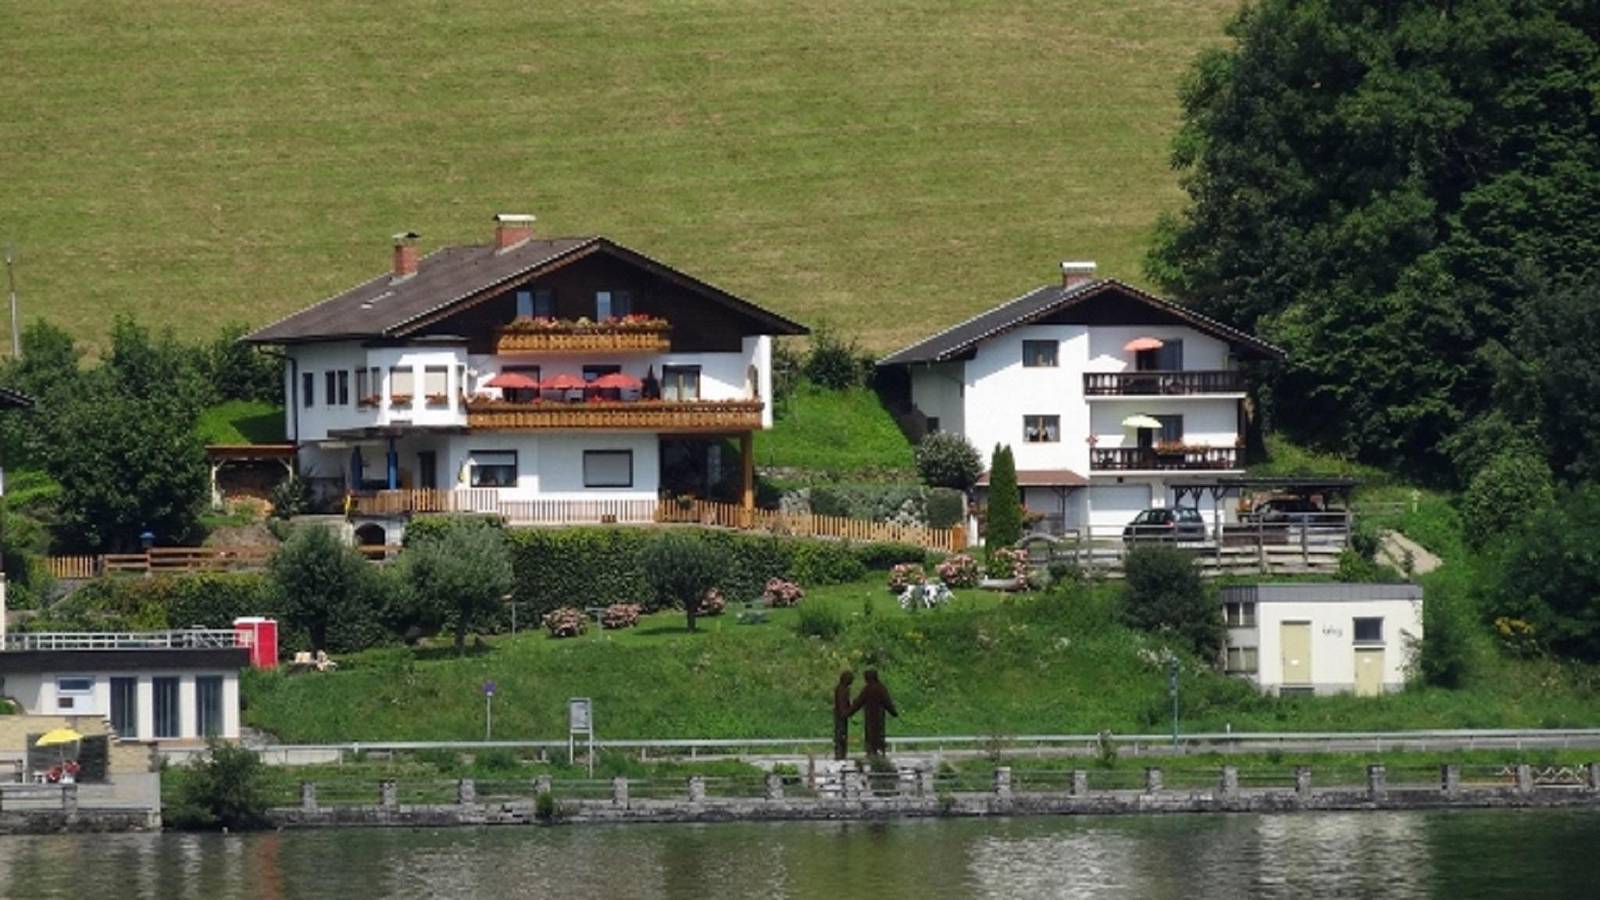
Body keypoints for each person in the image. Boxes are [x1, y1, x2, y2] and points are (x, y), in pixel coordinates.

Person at [850, 669, 898, 757]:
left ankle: (871, 753)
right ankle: (879, 753)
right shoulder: (881, 688)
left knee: (870, 737)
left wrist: (849, 713)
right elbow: (887, 702)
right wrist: (893, 712)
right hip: (879, 717)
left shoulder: (867, 689)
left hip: (870, 718)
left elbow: (858, 703)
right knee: (879, 735)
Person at [832, 670, 855, 760]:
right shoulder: (841, 689)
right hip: (841, 716)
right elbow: (842, 704)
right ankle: (840, 755)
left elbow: (847, 703)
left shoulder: (843, 689)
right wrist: (847, 713)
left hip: (842, 715)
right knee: (840, 736)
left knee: (842, 736)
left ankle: (841, 754)